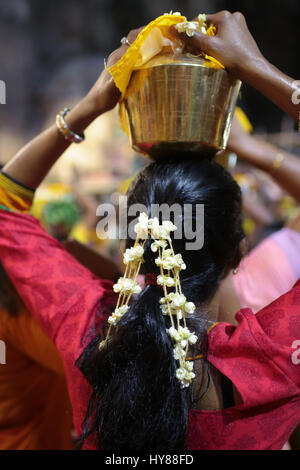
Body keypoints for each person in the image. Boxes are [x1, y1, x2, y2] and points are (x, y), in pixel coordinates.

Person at [0, 12, 299, 451]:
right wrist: (255, 67)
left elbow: (5, 206)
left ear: (131, 244)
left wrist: (87, 108)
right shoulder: (273, 358)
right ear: (238, 253)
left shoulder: (87, 329)